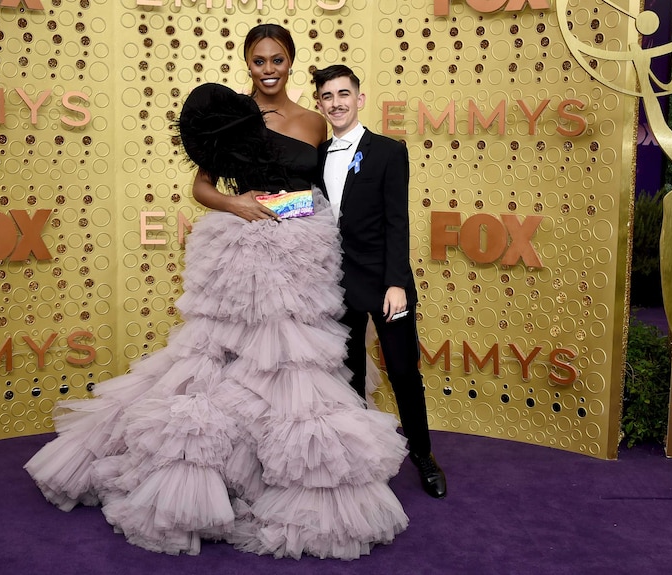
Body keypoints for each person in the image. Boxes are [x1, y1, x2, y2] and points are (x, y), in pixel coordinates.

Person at [24, 25, 409, 559]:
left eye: (277, 59)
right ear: (247, 64)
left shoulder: (317, 121)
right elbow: (201, 186)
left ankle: (292, 468)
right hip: (246, 249)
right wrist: (239, 204)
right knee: (226, 356)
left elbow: (323, 187)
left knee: (297, 360)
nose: (268, 68)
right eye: (258, 60)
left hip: (305, 247)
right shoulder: (231, 115)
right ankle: (212, 472)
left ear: (291, 62)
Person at [313, 64, 448, 499]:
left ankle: (424, 457)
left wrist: (396, 284)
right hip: (338, 284)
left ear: (359, 98)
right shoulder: (316, 155)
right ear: (320, 104)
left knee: (404, 372)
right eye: (328, 96)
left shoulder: (388, 151)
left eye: (343, 94)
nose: (336, 102)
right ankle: (358, 461)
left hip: (386, 282)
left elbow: (397, 222)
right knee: (348, 376)